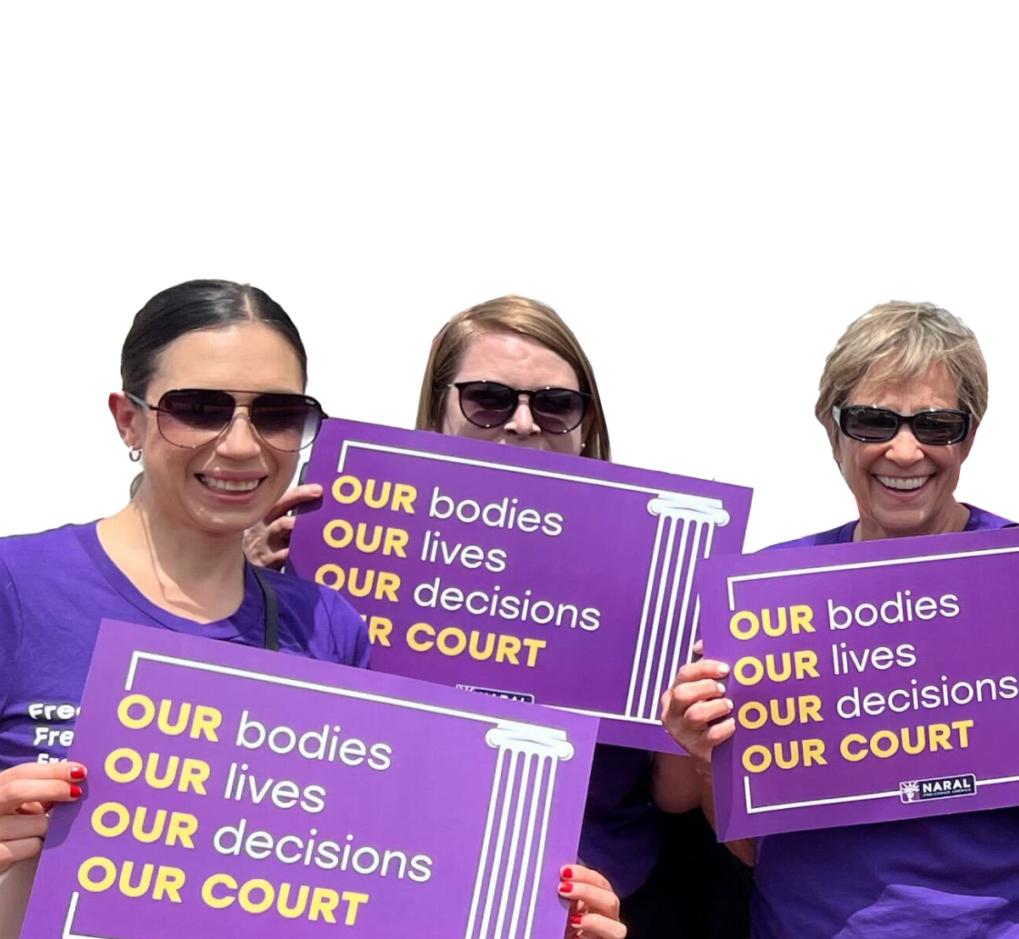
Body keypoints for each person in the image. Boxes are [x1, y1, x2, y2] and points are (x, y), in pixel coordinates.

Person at [244, 295, 749, 938]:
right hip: (391, 890)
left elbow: (669, 795)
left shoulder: (657, 566)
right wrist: (255, 596)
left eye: (555, 404)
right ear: (438, 409)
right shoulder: (355, 534)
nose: (520, 423)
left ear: (587, 423)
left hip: (590, 905)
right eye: (488, 398)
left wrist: (695, 713)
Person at [663, 299, 1019, 938]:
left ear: (972, 435)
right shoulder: (768, 595)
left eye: (936, 424)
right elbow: (747, 845)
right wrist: (705, 752)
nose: (905, 451)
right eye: (873, 421)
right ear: (834, 432)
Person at [0, 279, 368, 933]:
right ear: (127, 418)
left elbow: (365, 868)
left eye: (278, 413)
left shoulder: (330, 626)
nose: (241, 445)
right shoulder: (14, 585)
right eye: (199, 407)